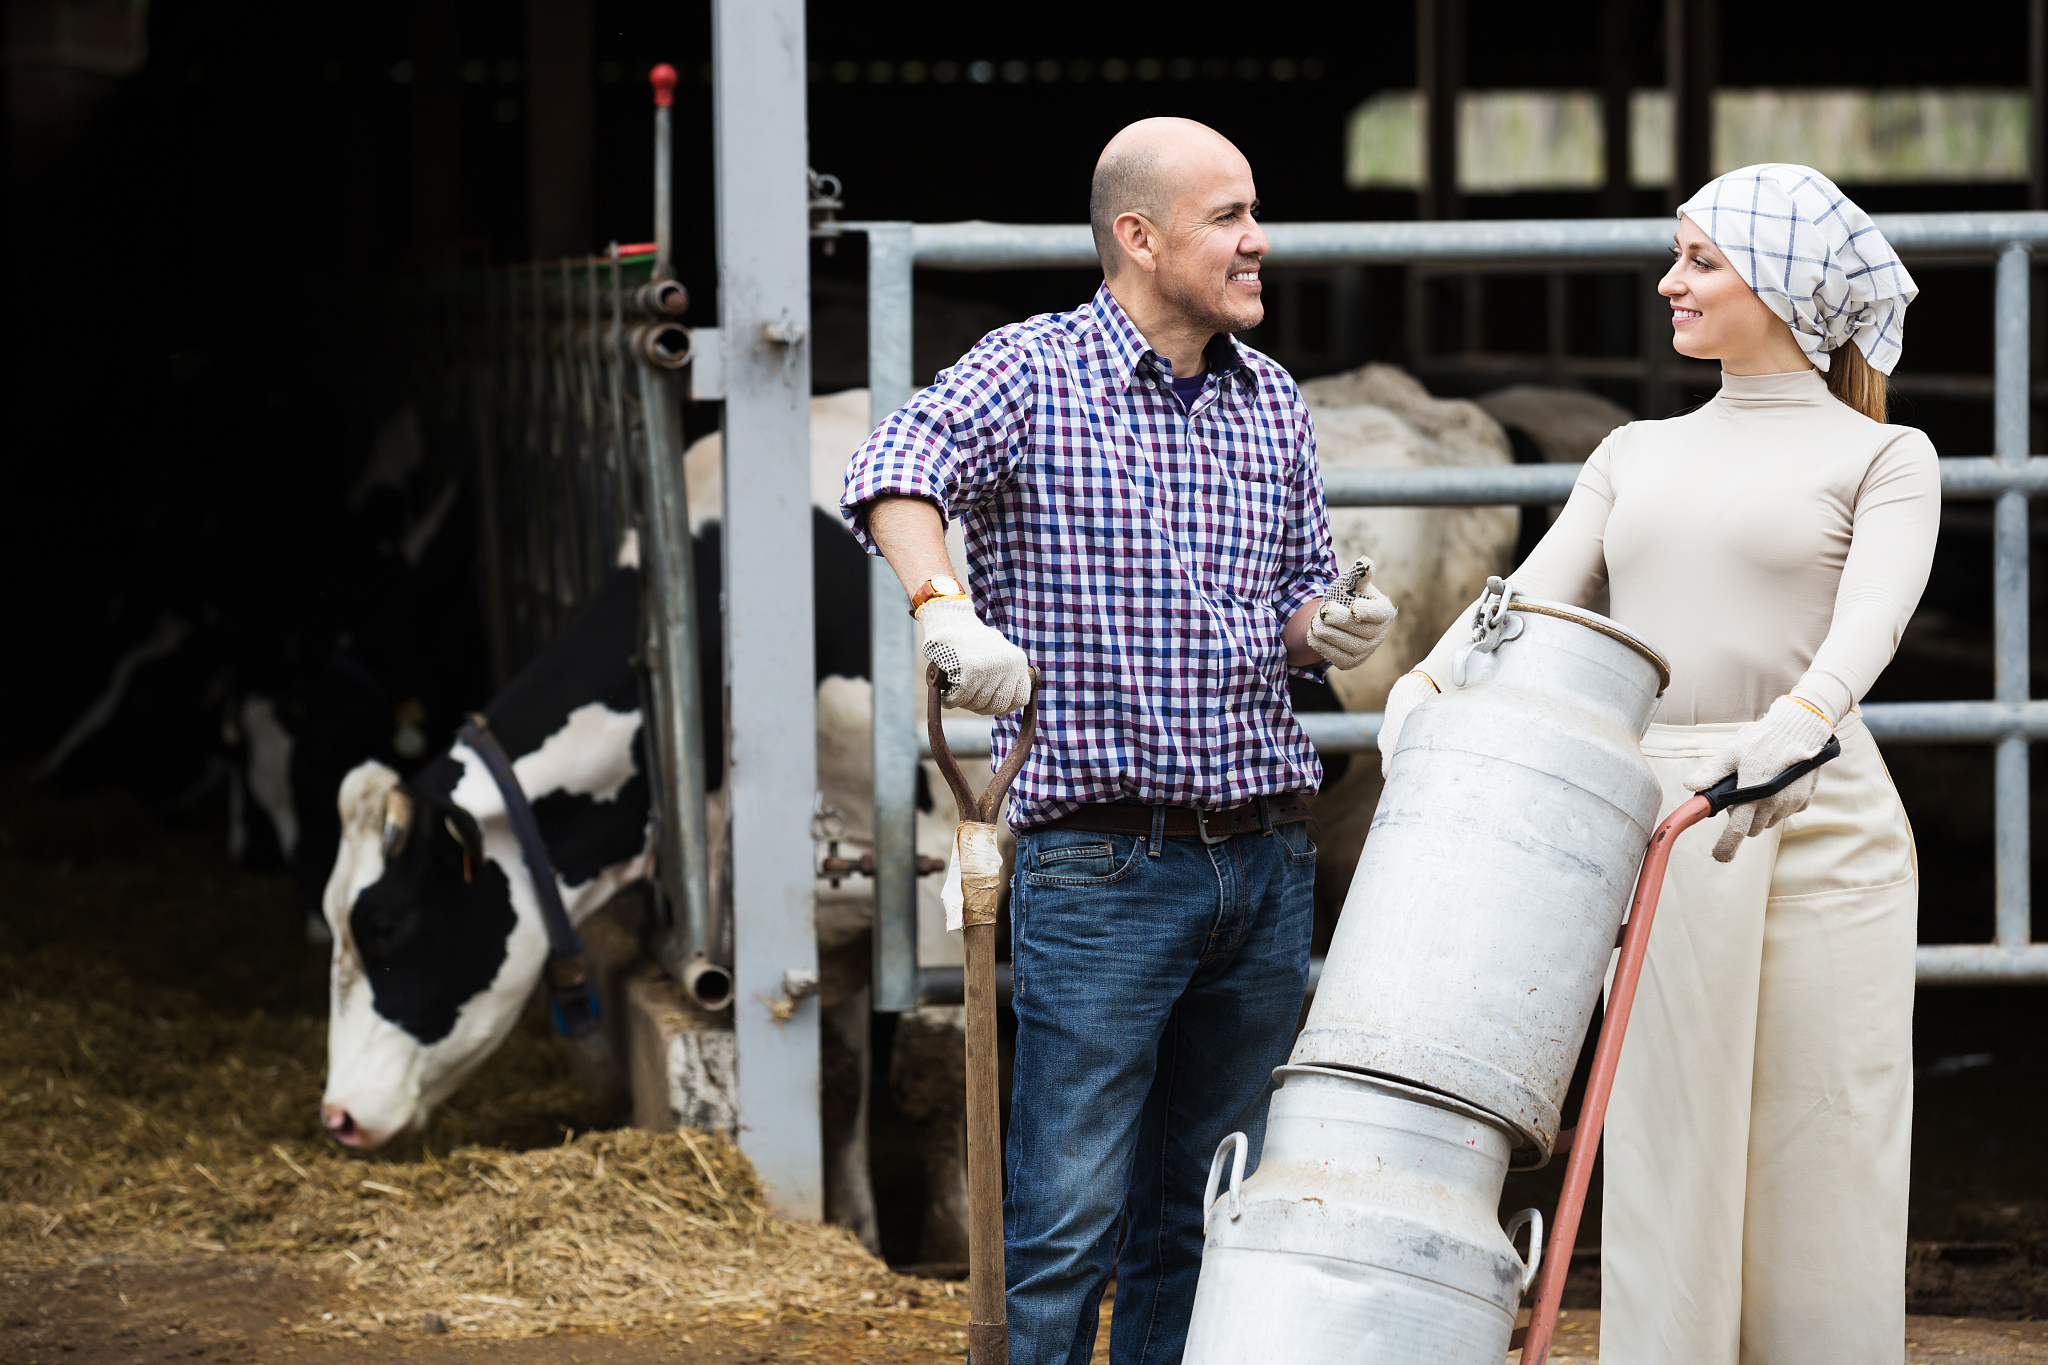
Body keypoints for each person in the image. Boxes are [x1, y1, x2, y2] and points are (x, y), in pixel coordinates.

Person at [840, 117, 1397, 1365]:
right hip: (1099, 868)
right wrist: (943, 609)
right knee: (1064, 1223)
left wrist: (1325, 625)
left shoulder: (1270, 403)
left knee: (1203, 1210)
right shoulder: (1031, 371)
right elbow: (892, 464)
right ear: (1137, 238)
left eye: (1254, 214)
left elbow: (1289, 601)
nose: (1257, 243)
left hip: (1260, 865)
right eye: (1228, 219)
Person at [1381, 164, 1934, 1363]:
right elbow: (1525, 604)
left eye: (1698, 261)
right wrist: (1432, 677)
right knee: (1662, 1142)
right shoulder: (1632, 451)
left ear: (1780, 289)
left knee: (1822, 1137)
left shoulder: (1885, 459)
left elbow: (1868, 624)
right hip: (1660, 821)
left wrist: (1803, 716)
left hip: (1813, 809)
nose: (1665, 282)